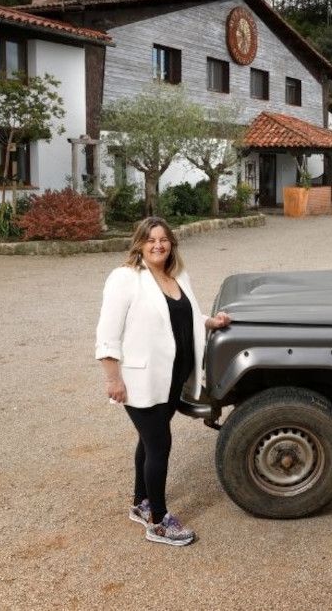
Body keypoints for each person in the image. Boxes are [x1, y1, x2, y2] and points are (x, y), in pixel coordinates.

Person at [95, 216, 231, 546]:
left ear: (172, 244)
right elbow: (107, 333)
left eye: (164, 239)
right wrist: (113, 379)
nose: (158, 245)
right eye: (151, 239)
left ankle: (141, 504)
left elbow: (183, 316)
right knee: (159, 445)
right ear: (139, 244)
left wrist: (211, 322)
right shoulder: (126, 278)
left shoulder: (176, 275)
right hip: (139, 383)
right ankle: (158, 521)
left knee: (148, 441)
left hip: (170, 380)